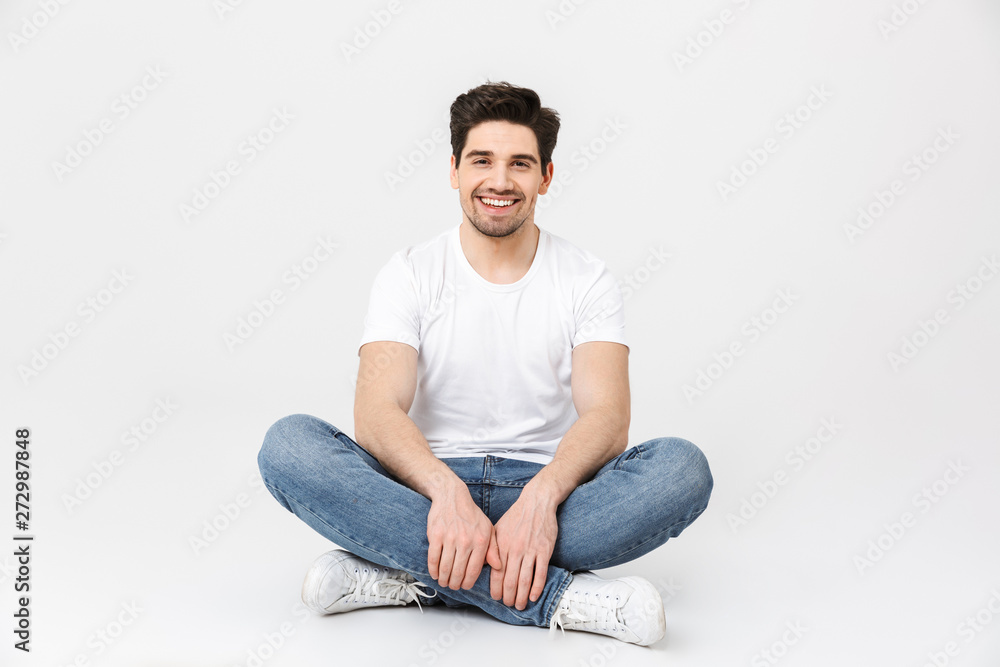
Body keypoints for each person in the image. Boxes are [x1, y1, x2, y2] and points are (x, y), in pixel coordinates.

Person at [257, 81, 713, 646]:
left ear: (546, 176)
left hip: (550, 492)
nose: (499, 181)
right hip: (423, 489)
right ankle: (561, 599)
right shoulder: (409, 272)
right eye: (482, 161)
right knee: (288, 446)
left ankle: (411, 575)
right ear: (454, 170)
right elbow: (376, 412)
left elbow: (608, 418)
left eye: (520, 164)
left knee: (682, 470)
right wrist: (447, 495)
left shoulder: (585, 278)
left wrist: (542, 498)